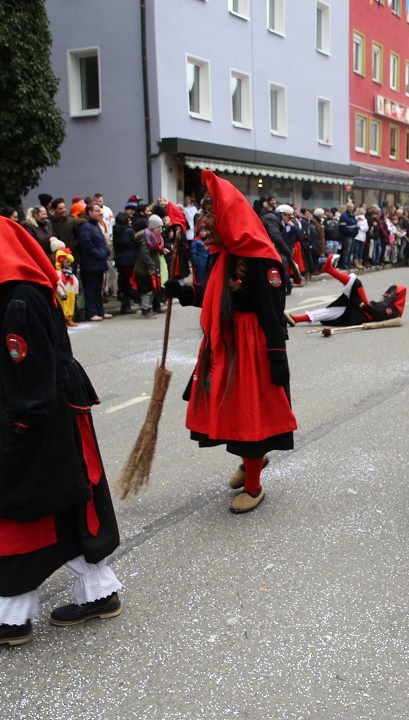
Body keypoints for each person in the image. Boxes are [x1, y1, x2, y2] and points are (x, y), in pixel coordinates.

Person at [0, 212, 122, 649]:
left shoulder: (18, 299)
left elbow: (32, 375)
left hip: (40, 413)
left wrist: (19, 422)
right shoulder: (25, 287)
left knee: (22, 509)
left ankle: (10, 616)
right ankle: (97, 591)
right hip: (57, 407)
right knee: (68, 502)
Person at [163, 170, 297, 514]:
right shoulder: (221, 253)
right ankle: (252, 460)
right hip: (226, 340)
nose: (206, 222)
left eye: (212, 215)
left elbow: (271, 312)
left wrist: (276, 356)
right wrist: (184, 291)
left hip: (252, 345)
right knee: (232, 410)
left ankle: (254, 486)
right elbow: (213, 294)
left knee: (249, 412)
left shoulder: (262, 258)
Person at [285, 253, 406, 327]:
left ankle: (329, 270)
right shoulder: (388, 303)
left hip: (363, 314)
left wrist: (364, 306)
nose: (388, 294)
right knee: (327, 312)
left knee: (356, 282)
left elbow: (379, 315)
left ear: (398, 296)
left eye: (392, 293)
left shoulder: (394, 310)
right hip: (360, 311)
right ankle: (296, 319)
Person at [78, 202, 111, 321]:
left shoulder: (97, 225)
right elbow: (87, 244)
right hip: (90, 263)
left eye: (100, 210)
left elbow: (101, 242)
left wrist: (106, 252)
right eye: (97, 210)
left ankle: (100, 310)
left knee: (98, 288)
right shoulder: (86, 226)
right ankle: (91, 312)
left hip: (99, 262)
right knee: (91, 288)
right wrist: (99, 254)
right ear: (90, 212)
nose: (100, 212)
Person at [133, 215, 166, 318]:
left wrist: (161, 250)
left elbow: (154, 250)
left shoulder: (155, 237)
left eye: (161, 226)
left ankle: (150, 307)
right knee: (147, 290)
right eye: (158, 227)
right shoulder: (146, 236)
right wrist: (151, 266)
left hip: (152, 267)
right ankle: (145, 309)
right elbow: (145, 253)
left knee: (152, 289)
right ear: (152, 227)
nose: (160, 229)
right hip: (145, 268)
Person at [111, 212, 138, 315]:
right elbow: (135, 243)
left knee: (123, 281)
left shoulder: (116, 231)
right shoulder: (129, 232)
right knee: (128, 283)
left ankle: (124, 302)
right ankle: (126, 305)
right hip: (129, 261)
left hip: (119, 260)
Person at [54, 248, 80, 327]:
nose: (68, 263)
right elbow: (58, 284)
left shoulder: (70, 272)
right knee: (63, 307)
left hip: (70, 292)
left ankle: (69, 319)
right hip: (63, 293)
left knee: (70, 306)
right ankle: (63, 321)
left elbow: (75, 281)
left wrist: (75, 292)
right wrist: (61, 293)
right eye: (66, 262)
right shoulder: (58, 273)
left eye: (69, 262)